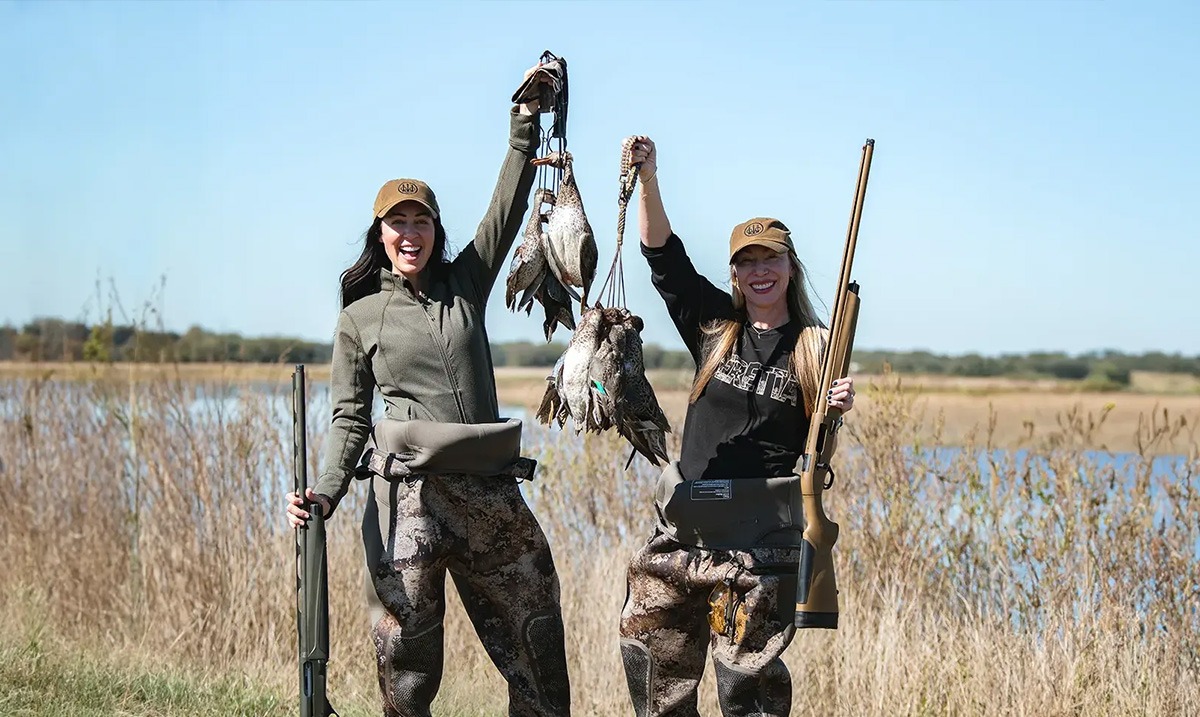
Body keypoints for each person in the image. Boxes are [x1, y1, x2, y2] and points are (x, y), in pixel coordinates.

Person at [284, 64, 571, 717]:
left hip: (491, 490)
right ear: (379, 233)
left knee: (539, 650)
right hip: (407, 496)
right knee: (405, 668)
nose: (410, 234)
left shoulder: (466, 282)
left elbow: (509, 202)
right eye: (397, 223)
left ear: (436, 229)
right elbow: (350, 418)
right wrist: (325, 492)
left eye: (421, 221)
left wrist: (525, 122)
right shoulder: (359, 318)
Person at [617, 136, 856, 717]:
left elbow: (816, 456)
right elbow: (663, 258)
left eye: (770, 259)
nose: (759, 271)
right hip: (685, 529)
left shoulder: (816, 348)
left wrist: (834, 413)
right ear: (734, 274)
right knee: (655, 678)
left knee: (746, 695)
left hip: (759, 545)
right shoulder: (714, 326)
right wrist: (648, 177)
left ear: (790, 266)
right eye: (746, 262)